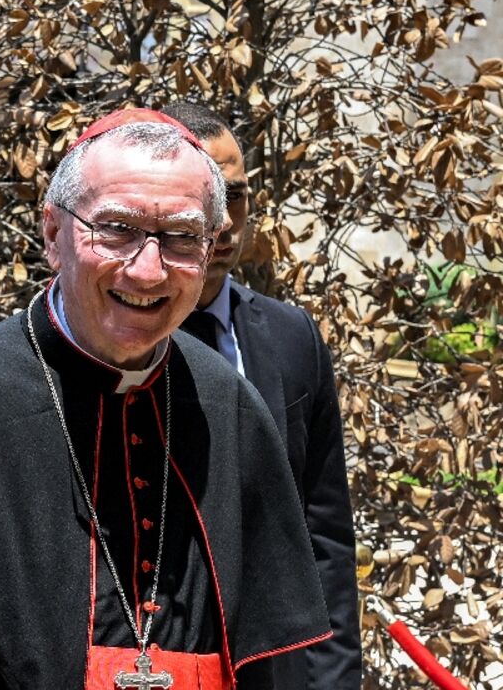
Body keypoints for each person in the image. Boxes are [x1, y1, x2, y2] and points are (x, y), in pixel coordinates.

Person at [0, 109, 330, 689]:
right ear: (53, 235)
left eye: (180, 237)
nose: (148, 271)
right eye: (116, 229)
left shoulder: (230, 408)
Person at [160, 101, 361, 689]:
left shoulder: (292, 337)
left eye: (237, 196)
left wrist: (334, 679)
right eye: (203, 198)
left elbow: (322, 533)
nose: (222, 222)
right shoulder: (105, 342)